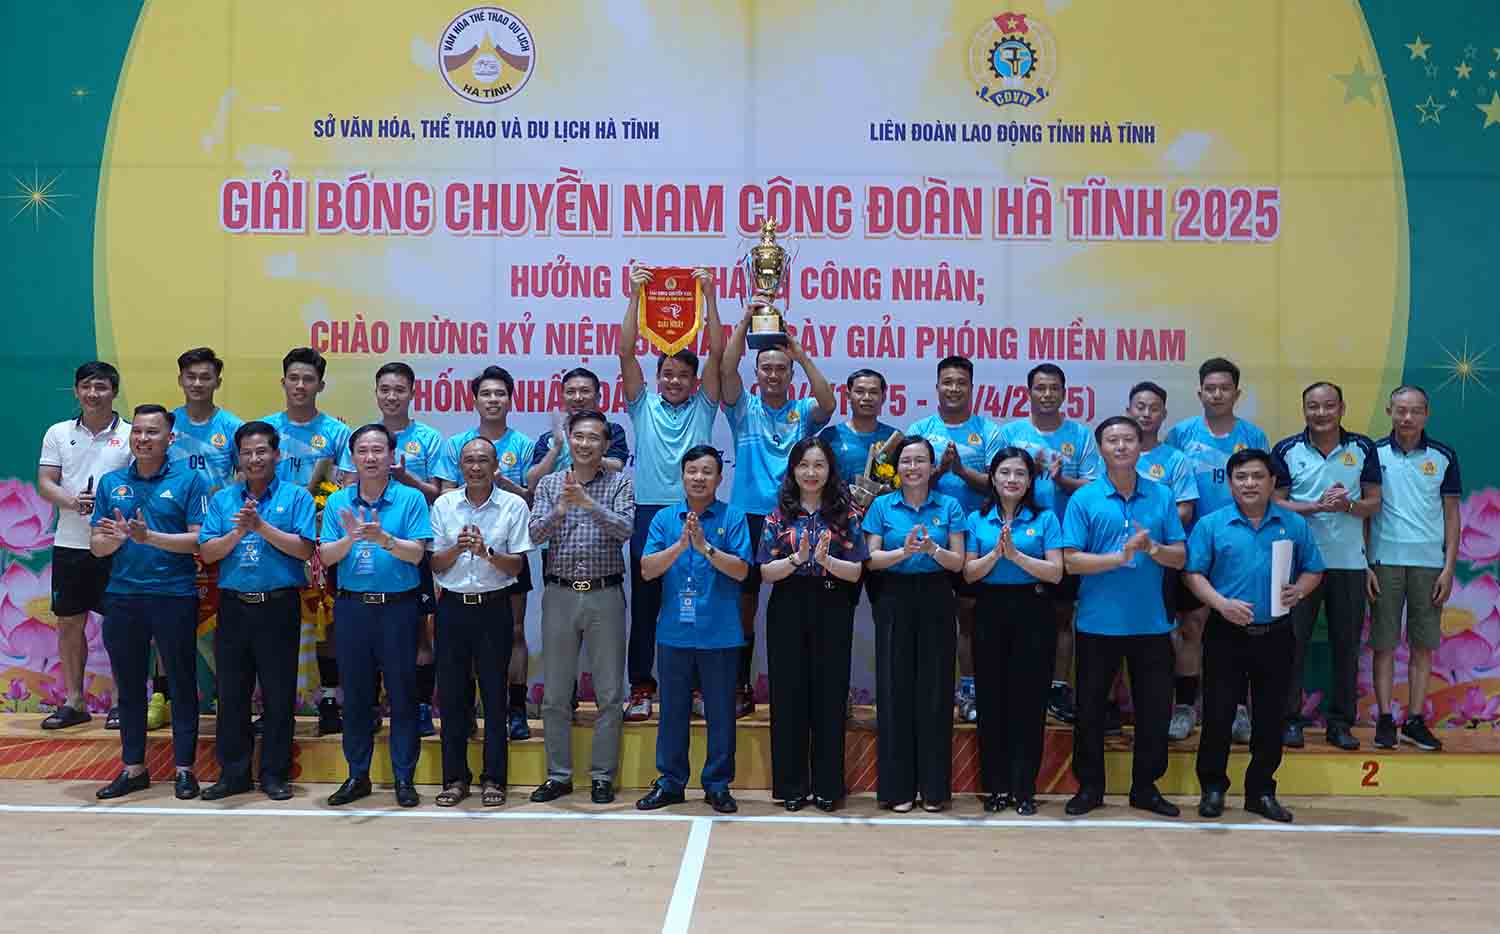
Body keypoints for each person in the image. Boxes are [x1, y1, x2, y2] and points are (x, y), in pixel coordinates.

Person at [1186, 448, 1325, 823]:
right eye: (1242, 477)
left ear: (1272, 482)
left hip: (1276, 634)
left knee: (1269, 716)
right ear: (1231, 483)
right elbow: (1193, 573)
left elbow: (1314, 568)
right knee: (1217, 713)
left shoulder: (1293, 524)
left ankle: (1261, 791)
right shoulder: (1212, 525)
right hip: (1226, 633)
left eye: (1258, 477)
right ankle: (1213, 788)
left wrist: (1301, 590)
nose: (1250, 484)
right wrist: (1220, 603)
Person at [1061, 416, 1186, 818]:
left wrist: (1152, 549)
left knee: (1154, 709)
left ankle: (1145, 787)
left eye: (1128, 439)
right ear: (1100, 448)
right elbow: (1070, 561)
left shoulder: (1162, 496)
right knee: (1091, 710)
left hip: (1150, 623)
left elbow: (1180, 556)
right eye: (1112, 440)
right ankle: (1091, 787)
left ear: (1139, 446)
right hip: (1098, 623)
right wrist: (1119, 558)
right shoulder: (1085, 499)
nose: (1120, 446)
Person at [90, 405, 211, 800]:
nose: (142, 439)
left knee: (181, 681)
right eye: (137, 432)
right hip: (123, 597)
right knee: (128, 686)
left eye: (152, 432)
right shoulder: (111, 483)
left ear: (169, 439)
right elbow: (97, 546)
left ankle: (184, 770)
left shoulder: (190, 480)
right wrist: (117, 539)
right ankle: (133, 768)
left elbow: (199, 541)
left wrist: (149, 538)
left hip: (173, 595)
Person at [619, 266, 724, 722]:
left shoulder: (705, 404)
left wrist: (709, 296)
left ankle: (697, 689)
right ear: (657, 376)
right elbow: (625, 350)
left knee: (696, 598)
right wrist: (635, 296)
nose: (674, 381)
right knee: (646, 606)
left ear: (695, 381)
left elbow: (718, 353)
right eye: (667, 374)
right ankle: (642, 687)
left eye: (683, 374)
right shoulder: (642, 404)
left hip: (696, 512)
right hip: (649, 514)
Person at [721, 311, 836, 716]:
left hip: (794, 516)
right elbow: (725, 369)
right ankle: (739, 684)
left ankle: (799, 685)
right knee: (744, 603)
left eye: (781, 369)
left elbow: (829, 402)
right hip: (748, 516)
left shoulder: (803, 410)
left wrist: (801, 355)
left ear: (790, 375)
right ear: (756, 373)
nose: (773, 375)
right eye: (766, 368)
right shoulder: (742, 406)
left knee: (794, 601)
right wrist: (746, 320)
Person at [196, 421, 316, 801]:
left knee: (279, 694)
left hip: (278, 606)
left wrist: (260, 526)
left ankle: (274, 775)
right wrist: (237, 532)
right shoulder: (223, 500)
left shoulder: (296, 497)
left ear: (277, 455)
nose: (254, 458)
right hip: (234, 608)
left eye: (261, 451)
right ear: (239, 458)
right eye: (246, 453)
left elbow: (304, 550)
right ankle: (233, 775)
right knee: (231, 693)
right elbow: (207, 552)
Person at [318, 424, 432, 808]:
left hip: (398, 607)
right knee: (358, 697)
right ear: (353, 457)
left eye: (378, 450)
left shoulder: (411, 499)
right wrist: (352, 537)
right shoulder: (338, 503)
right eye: (363, 450)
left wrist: (383, 539)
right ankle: (357, 775)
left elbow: (417, 555)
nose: (370, 457)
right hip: (352, 609)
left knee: (402, 695)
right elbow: (326, 557)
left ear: (392, 457)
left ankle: (403, 777)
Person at [527, 411, 635, 805]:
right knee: (555, 693)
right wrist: (559, 509)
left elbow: (625, 529)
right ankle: (558, 775)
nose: (585, 444)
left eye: (594, 438)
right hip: (559, 594)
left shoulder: (620, 483)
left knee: (608, 693)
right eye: (579, 437)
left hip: (605, 595)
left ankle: (603, 776)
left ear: (606, 446)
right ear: (568, 440)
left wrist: (588, 504)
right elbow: (532, 533)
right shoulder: (550, 483)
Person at [636, 446, 752, 813]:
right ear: (682, 476)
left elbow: (742, 571)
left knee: (720, 713)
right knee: (672, 711)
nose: (699, 477)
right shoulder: (665, 519)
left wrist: (704, 548)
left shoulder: (733, 517)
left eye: (707, 471)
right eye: (692, 471)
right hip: (674, 632)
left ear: (720, 478)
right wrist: (682, 544)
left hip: (720, 632)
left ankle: (717, 784)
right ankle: (670, 782)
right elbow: (647, 570)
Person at [757, 437, 867, 812]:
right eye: (804, 465)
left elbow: (856, 572)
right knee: (788, 696)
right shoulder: (778, 516)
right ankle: (791, 786)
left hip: (832, 602)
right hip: (788, 604)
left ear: (830, 471)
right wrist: (797, 558)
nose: (811, 472)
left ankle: (828, 787)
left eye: (819, 465)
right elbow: (765, 573)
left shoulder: (847, 515)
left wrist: (826, 562)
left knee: (829, 695)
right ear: (793, 471)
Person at [1271, 382, 1381, 750]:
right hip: (1299, 565)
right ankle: (1289, 720)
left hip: (1349, 563)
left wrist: (1348, 506)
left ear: (1341, 407)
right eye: (1313, 406)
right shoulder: (1286, 450)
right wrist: (1315, 506)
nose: (1321, 413)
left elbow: (1374, 503)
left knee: (1346, 646)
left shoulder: (1362, 447)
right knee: (1292, 644)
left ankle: (1340, 722)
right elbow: (1275, 504)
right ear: (1304, 410)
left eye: (1328, 406)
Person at [1165, 357, 1270, 744]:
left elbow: (1264, 491)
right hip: (1192, 544)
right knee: (1191, 627)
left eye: (1225, 387)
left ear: (1236, 393)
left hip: (1241, 544)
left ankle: (1237, 708)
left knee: (1235, 628)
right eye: (1210, 388)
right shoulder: (1179, 435)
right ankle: (1185, 706)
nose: (1217, 394)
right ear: (1200, 392)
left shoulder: (1254, 436)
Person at [339, 362, 446, 737]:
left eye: (399, 389)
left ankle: (417, 704)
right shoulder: (366, 438)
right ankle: (365, 710)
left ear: (412, 393)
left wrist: (404, 479)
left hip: (413, 540)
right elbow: (345, 485)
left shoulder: (429, 438)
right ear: (376, 393)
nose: (392, 396)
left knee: (420, 631)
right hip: (361, 548)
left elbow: (439, 494)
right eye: (385, 389)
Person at [861, 437, 967, 812]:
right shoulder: (881, 505)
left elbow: (959, 563)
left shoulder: (950, 505)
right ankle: (897, 790)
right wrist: (904, 552)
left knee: (936, 691)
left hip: (937, 596)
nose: (912, 467)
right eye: (906, 460)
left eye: (920, 460)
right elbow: (870, 560)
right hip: (893, 597)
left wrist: (932, 551)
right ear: (897, 467)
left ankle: (935, 790)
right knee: (894, 689)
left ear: (932, 466)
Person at [428, 436, 532, 807]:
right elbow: (436, 564)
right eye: (469, 460)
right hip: (453, 608)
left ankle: (494, 779)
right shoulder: (444, 505)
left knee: (494, 697)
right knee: (454, 697)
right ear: (460, 466)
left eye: (483, 460)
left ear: (495, 466)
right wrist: (459, 547)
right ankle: (455, 778)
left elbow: (517, 566)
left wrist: (486, 552)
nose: (475, 466)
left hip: (494, 608)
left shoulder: (513, 505)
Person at [434, 366, 536, 741]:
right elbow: (446, 493)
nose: (493, 400)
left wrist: (507, 487)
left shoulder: (523, 444)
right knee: (463, 639)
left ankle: (516, 708)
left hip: (505, 547)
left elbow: (529, 498)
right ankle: (466, 714)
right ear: (474, 399)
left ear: (510, 399)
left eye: (500, 394)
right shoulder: (456, 443)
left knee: (514, 630)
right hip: (459, 559)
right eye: (486, 394)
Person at [997, 363, 1101, 726]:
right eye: (1040, 388)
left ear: (1064, 392)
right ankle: (1013, 686)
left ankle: (1057, 688)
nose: (1046, 394)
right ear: (1029, 393)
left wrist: (1063, 480)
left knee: (1061, 618)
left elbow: (1095, 487)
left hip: (1066, 540)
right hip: (1016, 538)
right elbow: (995, 479)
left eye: (1053, 388)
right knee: (1012, 619)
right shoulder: (1010, 433)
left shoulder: (1082, 436)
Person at [962, 447, 1064, 815]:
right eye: (1004, 473)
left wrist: (1017, 556)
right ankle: (996, 789)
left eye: (1020, 474)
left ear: (1030, 480)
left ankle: (1024, 789)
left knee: (1028, 703)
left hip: (1034, 612)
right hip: (990, 611)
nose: (1012, 480)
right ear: (992, 478)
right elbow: (969, 573)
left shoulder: (1046, 519)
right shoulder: (978, 519)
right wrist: (996, 555)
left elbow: (1056, 572)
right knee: (992, 702)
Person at [908, 356, 1004, 723]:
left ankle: (969, 690)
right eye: (947, 382)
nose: (953, 389)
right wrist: (935, 471)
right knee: (929, 619)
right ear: (937, 387)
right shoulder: (921, 428)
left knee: (969, 616)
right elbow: (908, 478)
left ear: (971, 387)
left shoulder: (989, 432)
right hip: (926, 539)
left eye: (961, 382)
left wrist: (961, 471)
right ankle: (926, 691)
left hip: (975, 538)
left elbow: (1001, 480)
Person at [36, 361, 132, 730]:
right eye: (87, 387)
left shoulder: (129, 435)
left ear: (114, 391)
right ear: (76, 391)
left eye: (102, 387)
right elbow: (46, 481)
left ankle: (125, 703)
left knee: (122, 625)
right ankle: (74, 701)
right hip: (70, 543)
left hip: (117, 545)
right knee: (69, 623)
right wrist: (72, 501)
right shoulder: (58, 433)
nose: (94, 394)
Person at [262, 347, 352, 736]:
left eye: (308, 379)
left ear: (321, 385)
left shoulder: (337, 433)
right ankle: (273, 705)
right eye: (293, 378)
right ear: (283, 382)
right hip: (274, 542)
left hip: (321, 543)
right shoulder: (265, 429)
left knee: (327, 623)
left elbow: (347, 489)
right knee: (275, 625)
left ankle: (330, 700)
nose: (300, 386)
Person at [1368, 385, 1461, 751]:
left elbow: (1452, 516)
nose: (1407, 418)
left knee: (1423, 645)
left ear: (1427, 414)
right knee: (1384, 645)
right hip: (1384, 561)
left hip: (1429, 565)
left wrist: (1448, 568)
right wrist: (1366, 563)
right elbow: (1365, 513)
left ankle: (1415, 720)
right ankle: (1385, 721)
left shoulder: (1443, 456)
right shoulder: (1372, 454)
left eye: (1415, 411)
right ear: (1390, 411)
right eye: (1400, 410)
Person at [1126, 381, 1203, 742]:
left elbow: (1186, 508)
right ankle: (1121, 707)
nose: (1145, 413)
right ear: (1129, 411)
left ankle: (1184, 706)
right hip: (1122, 563)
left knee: (1185, 629)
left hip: (1167, 557)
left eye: (1153, 408)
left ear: (1163, 415)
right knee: (1123, 631)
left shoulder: (1175, 459)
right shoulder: (1115, 453)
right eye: (1139, 407)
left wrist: (1152, 533)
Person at [525, 366, 630, 490]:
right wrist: (557, 448)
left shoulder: (612, 430)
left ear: (598, 397)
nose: (578, 398)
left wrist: (585, 452)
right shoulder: (550, 438)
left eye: (585, 391)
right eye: (571, 392)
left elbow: (616, 467)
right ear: (563, 397)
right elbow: (532, 483)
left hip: (600, 501)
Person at [817, 368, 900, 489]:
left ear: (883, 398)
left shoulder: (893, 438)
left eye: (874, 392)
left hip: (881, 507)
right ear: (848, 396)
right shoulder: (830, 436)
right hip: (838, 507)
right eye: (860, 391)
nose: (867, 397)